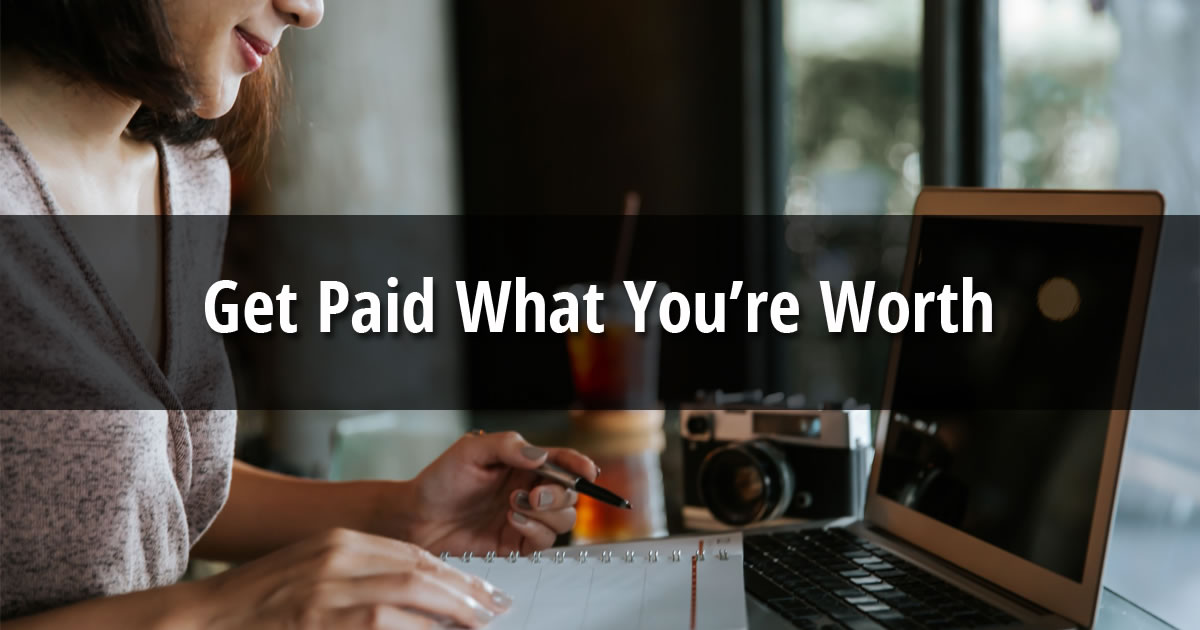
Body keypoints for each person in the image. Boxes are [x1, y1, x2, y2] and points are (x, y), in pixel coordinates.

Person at [0, 1, 597, 628]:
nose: (306, 10)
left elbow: (140, 496)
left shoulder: (189, 179)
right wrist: (226, 609)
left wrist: (400, 513)